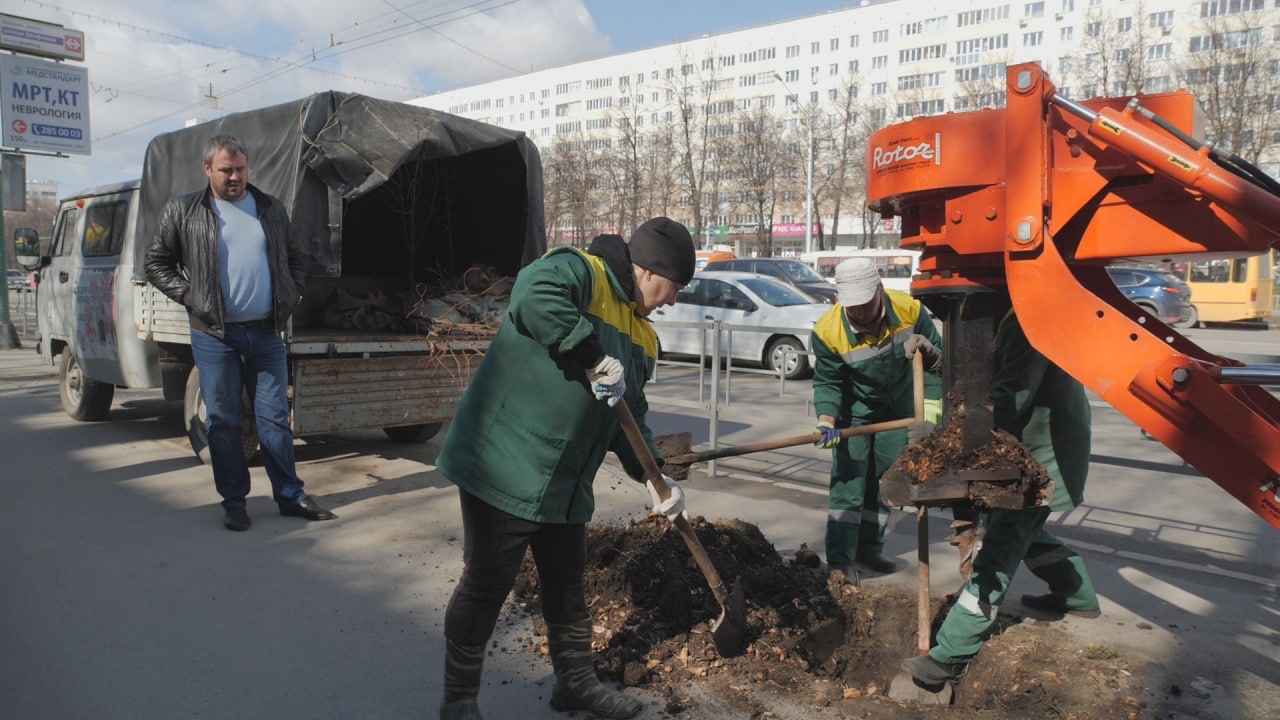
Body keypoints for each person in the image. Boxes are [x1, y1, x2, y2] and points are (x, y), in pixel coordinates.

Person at [435, 218, 696, 720]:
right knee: (486, 584)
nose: (673, 300)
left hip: (566, 478)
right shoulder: (580, 271)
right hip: (506, 462)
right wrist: (591, 354)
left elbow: (629, 414)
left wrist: (656, 479)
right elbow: (532, 297)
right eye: (674, 287)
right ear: (647, 271)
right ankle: (459, 702)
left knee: (566, 585)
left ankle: (575, 684)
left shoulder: (642, 336)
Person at [899, 306, 1099, 687]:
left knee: (1000, 549)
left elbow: (1007, 396)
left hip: (1043, 453)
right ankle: (1077, 595)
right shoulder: (1002, 315)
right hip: (1025, 448)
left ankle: (949, 655)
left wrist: (943, 438)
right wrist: (938, 360)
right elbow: (981, 380)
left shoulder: (1027, 322)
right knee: (1027, 533)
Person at [144, 135, 335, 532]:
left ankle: (290, 495)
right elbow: (156, 261)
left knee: (275, 419)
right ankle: (234, 501)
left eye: (241, 169)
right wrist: (189, 296)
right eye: (226, 170)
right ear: (207, 169)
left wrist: (292, 290)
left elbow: (294, 257)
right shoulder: (184, 210)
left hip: (266, 334)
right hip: (215, 335)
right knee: (225, 421)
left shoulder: (269, 207)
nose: (235, 177)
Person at [809, 257, 942, 582]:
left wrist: (931, 415)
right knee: (849, 484)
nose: (859, 313)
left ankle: (870, 548)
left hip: (899, 409)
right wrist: (827, 419)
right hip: (855, 412)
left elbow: (936, 363)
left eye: (866, 304)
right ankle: (840, 561)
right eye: (851, 307)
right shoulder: (828, 331)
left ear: (880, 290)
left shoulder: (910, 310)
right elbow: (829, 382)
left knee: (885, 478)